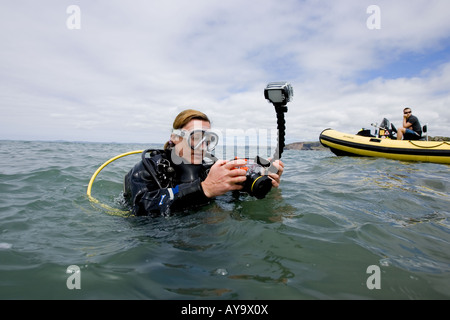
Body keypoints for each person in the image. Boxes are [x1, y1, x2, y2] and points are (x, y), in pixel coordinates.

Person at [123, 109, 284, 217]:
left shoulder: (209, 170)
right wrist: (205, 189)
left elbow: (234, 199)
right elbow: (141, 208)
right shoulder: (147, 169)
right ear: (175, 138)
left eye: (208, 140)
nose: (203, 147)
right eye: (196, 138)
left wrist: (261, 181)